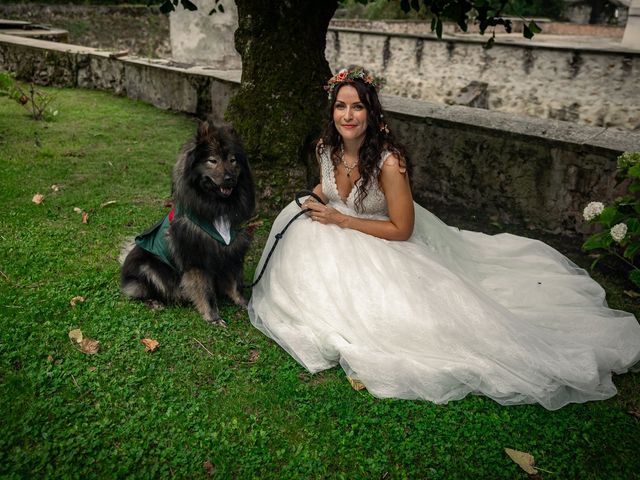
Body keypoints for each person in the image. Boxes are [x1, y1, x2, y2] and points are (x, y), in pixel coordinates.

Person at [248, 66, 640, 410]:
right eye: (340, 106)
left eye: (357, 107)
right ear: (331, 111)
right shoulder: (325, 147)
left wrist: (341, 220)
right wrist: (316, 200)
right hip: (338, 228)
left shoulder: (389, 161)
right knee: (305, 245)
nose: (347, 115)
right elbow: (328, 184)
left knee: (413, 316)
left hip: (386, 238)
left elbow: (402, 230)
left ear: (372, 112)